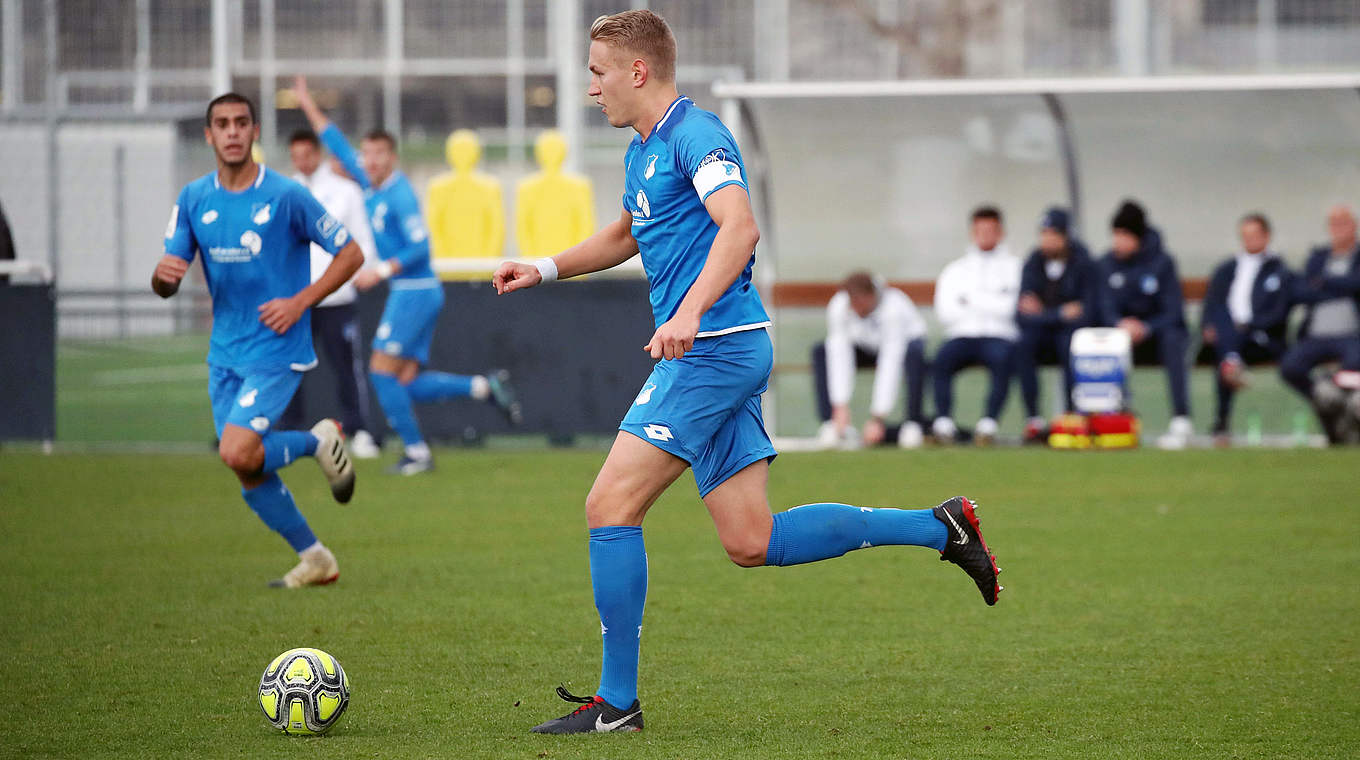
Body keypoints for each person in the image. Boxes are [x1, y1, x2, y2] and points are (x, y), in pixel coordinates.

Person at [492, 10, 1002, 735]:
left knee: (609, 506)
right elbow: (628, 231)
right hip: (713, 346)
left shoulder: (698, 136)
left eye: (598, 72)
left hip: (714, 348)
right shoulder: (644, 149)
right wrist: (542, 268)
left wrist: (690, 311)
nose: (590, 88)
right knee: (751, 540)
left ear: (639, 71)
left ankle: (616, 703)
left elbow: (740, 226)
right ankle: (940, 527)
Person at [152, 93, 363, 588]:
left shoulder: (286, 196)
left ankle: (315, 441)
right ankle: (316, 558)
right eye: (221, 124)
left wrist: (300, 301)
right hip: (225, 351)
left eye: (240, 123)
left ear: (253, 133)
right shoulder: (193, 199)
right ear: (209, 135)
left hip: (276, 346)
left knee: (236, 450)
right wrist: (163, 278)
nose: (231, 131)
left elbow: (350, 254)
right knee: (246, 467)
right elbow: (167, 281)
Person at [292, 76, 522, 475]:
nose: (370, 161)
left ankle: (417, 452)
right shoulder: (368, 182)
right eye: (367, 154)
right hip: (414, 291)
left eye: (378, 154)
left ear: (392, 158)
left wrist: (379, 270)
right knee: (405, 383)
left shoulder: (399, 194)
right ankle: (483, 386)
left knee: (381, 374)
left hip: (414, 291)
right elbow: (336, 143)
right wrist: (306, 102)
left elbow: (421, 247)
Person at [277, 128, 383, 459]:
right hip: (297, 299)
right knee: (290, 366)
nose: (302, 162)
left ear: (318, 154)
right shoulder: (284, 192)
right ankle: (288, 433)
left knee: (346, 368)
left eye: (307, 154)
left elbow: (363, 241)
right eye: (295, 156)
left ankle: (359, 430)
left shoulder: (345, 191)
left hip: (337, 298)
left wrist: (355, 277)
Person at [1094, 200, 1192, 448]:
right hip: (1122, 337)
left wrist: (1146, 327)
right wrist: (1119, 323)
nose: (1118, 241)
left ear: (1138, 236)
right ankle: (1112, 417)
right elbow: (1103, 306)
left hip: (1156, 336)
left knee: (1174, 340)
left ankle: (1181, 419)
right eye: (1115, 234)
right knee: (1101, 341)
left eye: (1125, 235)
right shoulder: (1106, 264)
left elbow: (1173, 311)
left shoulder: (1162, 263)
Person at [930, 206, 1022, 444]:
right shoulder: (955, 270)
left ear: (1000, 232)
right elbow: (946, 313)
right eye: (979, 230)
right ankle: (943, 423)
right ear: (972, 232)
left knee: (1003, 359)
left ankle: (988, 424)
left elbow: (1011, 310)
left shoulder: (1015, 268)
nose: (985, 235)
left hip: (999, 335)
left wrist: (970, 299)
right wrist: (994, 301)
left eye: (990, 230)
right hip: (962, 335)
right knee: (941, 359)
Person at [1200, 213, 1293, 440]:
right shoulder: (1226, 269)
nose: (1249, 240)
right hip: (1228, 335)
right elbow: (1211, 304)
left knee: (1226, 350)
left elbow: (1278, 313)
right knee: (1224, 329)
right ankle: (1232, 363)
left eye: (1254, 235)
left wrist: (1248, 325)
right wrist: (1208, 326)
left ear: (1266, 236)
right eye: (1245, 236)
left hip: (1260, 338)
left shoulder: (1279, 270)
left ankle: (1222, 416)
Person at [811, 271, 928, 448]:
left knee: (915, 355)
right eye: (852, 301)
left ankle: (912, 423)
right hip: (864, 345)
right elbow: (839, 352)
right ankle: (832, 423)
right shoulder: (839, 306)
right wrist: (840, 405)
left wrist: (878, 417)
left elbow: (891, 361)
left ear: (872, 295)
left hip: (905, 344)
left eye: (860, 301)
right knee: (822, 351)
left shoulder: (893, 309)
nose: (855, 307)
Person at [1279, 204, 1360, 442]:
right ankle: (1327, 399)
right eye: (1333, 224)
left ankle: (1339, 408)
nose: (1338, 229)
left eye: (1343, 223)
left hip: (1352, 334)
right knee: (1290, 366)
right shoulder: (1318, 257)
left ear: (1354, 226)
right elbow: (1300, 290)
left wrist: (1324, 282)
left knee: (1353, 365)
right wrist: (1342, 287)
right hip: (1316, 336)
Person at [1015, 207, 1094, 441]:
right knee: (1023, 344)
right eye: (1044, 233)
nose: (1047, 240)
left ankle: (1073, 415)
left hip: (1069, 335)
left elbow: (1086, 311)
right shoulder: (1033, 261)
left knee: (1070, 344)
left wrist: (1043, 312)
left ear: (1066, 236)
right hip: (1041, 334)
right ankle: (1034, 420)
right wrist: (1060, 313)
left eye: (1053, 234)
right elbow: (1021, 313)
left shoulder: (1083, 262)